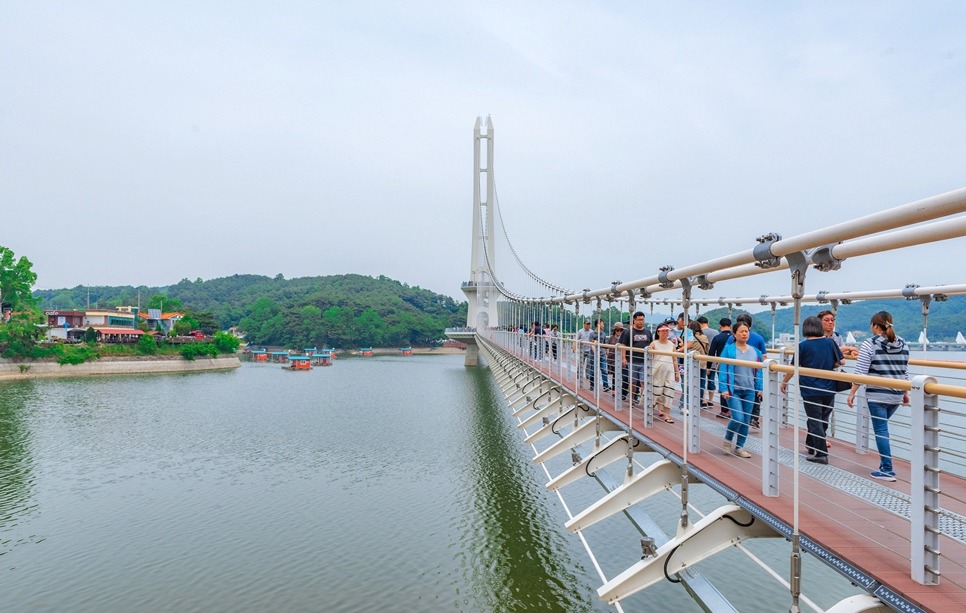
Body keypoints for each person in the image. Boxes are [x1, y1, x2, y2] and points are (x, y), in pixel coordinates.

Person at [847, 311, 909, 482]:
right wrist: (905, 392)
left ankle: (887, 470)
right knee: (882, 429)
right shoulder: (903, 343)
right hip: (896, 395)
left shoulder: (870, 344)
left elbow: (860, 372)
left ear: (875, 326)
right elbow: (904, 370)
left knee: (881, 431)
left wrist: (852, 393)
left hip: (877, 396)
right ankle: (884, 465)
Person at [780, 316, 845, 464]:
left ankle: (821, 454)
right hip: (829, 387)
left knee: (815, 420)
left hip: (810, 389)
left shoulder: (802, 346)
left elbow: (793, 368)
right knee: (823, 418)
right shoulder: (830, 343)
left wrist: (784, 382)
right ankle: (811, 444)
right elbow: (842, 361)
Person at [719, 321, 763, 459]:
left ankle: (739, 447)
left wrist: (760, 388)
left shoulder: (755, 352)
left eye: (746, 331)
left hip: (749, 390)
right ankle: (728, 439)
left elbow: (759, 372)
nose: (744, 334)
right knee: (738, 418)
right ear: (734, 333)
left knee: (745, 421)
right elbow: (723, 369)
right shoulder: (729, 350)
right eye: (741, 331)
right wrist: (724, 389)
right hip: (734, 390)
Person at [728, 314, 768, 428]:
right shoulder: (758, 338)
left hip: (736, 373)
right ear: (751, 324)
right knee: (755, 393)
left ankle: (739, 415)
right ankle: (753, 418)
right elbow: (764, 356)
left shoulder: (732, 338)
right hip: (754, 372)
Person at [619, 311, 654, 406]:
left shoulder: (648, 332)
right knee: (633, 382)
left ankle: (644, 401)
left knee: (644, 382)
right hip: (632, 361)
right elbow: (623, 345)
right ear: (634, 320)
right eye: (639, 320)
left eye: (642, 320)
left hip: (645, 361)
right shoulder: (628, 332)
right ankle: (632, 399)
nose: (641, 321)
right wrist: (623, 358)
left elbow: (651, 345)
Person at [649, 324, 677, 422]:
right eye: (663, 331)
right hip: (657, 371)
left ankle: (666, 415)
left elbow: (674, 359)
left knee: (669, 391)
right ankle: (649, 412)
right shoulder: (654, 344)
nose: (665, 333)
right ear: (658, 332)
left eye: (667, 331)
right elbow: (649, 358)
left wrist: (677, 373)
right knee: (656, 391)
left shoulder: (672, 345)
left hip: (669, 371)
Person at [709, 318, 734, 419]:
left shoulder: (717, 338)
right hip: (734, 365)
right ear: (731, 326)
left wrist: (709, 367)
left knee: (723, 385)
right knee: (732, 385)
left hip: (721, 365)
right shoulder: (734, 337)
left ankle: (724, 410)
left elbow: (711, 353)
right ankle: (734, 409)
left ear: (720, 326)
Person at [688, 320, 711, 409]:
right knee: (702, 384)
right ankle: (700, 402)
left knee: (691, 383)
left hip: (692, 363)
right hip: (703, 363)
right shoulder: (704, 337)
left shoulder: (689, 338)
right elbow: (708, 350)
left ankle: (691, 402)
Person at [698, 316, 719, 407]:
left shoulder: (699, 333)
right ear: (707, 323)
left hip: (702, 360)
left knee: (702, 381)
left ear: (699, 324)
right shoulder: (716, 332)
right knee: (711, 381)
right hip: (713, 360)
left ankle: (703, 400)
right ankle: (711, 400)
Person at [589, 319, 611, 391]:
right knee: (593, 370)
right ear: (598, 324)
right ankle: (592, 385)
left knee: (604, 370)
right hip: (594, 355)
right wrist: (595, 353)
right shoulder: (592, 334)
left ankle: (606, 385)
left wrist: (607, 350)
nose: (603, 325)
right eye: (602, 324)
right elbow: (591, 344)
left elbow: (604, 344)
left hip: (602, 354)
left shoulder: (603, 334)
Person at [606, 322, 624, 395]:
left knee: (622, 375)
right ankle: (614, 390)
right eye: (617, 330)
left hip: (621, 359)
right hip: (612, 359)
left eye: (620, 330)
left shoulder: (624, 338)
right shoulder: (611, 338)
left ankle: (621, 390)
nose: (619, 332)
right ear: (615, 330)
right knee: (615, 375)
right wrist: (607, 351)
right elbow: (606, 346)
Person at [576, 320, 594, 385]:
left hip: (589, 349)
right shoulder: (580, 331)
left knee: (589, 362)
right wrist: (575, 346)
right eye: (587, 324)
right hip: (582, 349)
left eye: (589, 324)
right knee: (581, 362)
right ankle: (578, 373)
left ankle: (587, 375)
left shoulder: (592, 332)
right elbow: (576, 339)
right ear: (584, 324)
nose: (588, 325)